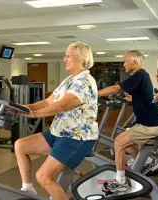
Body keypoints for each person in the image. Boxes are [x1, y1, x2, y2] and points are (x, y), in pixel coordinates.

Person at [14, 42, 98, 200]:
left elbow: (63, 105)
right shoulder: (69, 80)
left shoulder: (84, 81)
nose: (64, 59)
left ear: (81, 58)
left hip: (76, 139)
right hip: (58, 134)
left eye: (68, 55)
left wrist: (35, 114)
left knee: (44, 177)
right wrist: (25, 107)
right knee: (20, 145)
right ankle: (27, 189)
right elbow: (48, 102)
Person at [98, 50, 158, 192]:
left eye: (125, 61)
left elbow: (117, 89)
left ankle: (121, 182)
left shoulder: (139, 74)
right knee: (126, 142)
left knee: (118, 142)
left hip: (150, 125)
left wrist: (93, 93)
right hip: (152, 123)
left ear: (135, 62)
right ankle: (148, 162)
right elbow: (137, 96)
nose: (123, 64)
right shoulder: (143, 76)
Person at [126, 66, 158, 175]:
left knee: (127, 137)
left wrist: (135, 97)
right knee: (130, 132)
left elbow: (152, 99)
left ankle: (148, 161)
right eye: (157, 76)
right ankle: (153, 155)